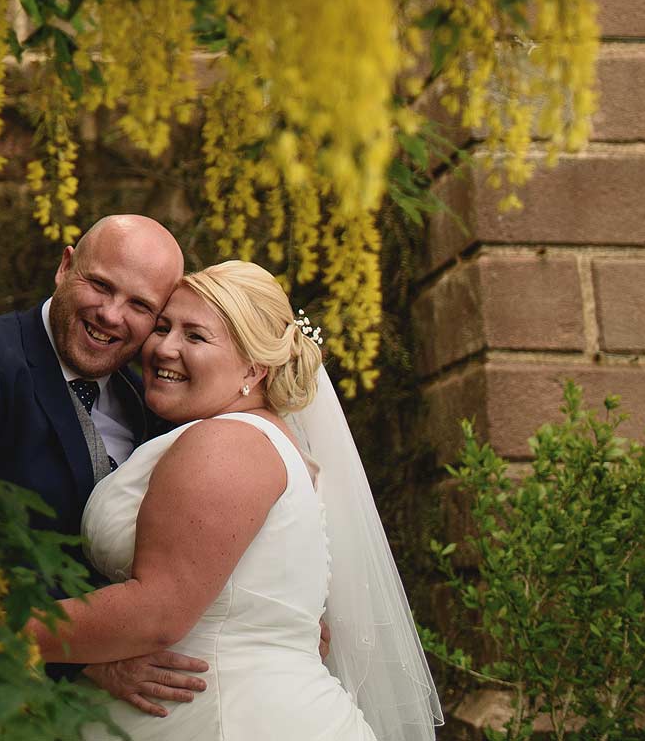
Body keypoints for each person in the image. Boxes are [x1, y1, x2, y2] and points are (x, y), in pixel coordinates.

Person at [27, 261, 443, 741]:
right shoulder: (263, 440)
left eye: (195, 337)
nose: (164, 346)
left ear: (254, 367)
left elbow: (158, 610)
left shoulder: (226, 445)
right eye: (162, 326)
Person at [0, 214, 209, 717]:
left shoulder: (148, 401)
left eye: (141, 306)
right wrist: (79, 659)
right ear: (65, 268)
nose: (111, 315)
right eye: (101, 285)